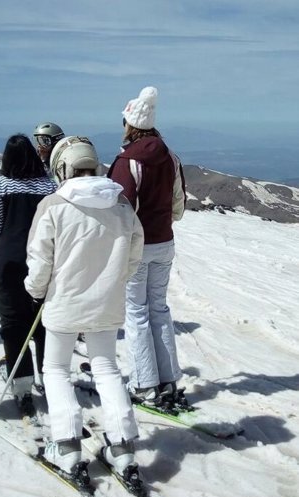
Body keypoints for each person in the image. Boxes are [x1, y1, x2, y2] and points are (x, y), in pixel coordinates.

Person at [25, 136, 144, 478]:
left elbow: (39, 258)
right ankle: (122, 447)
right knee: (106, 369)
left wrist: (36, 290)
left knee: (57, 370)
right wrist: (115, 281)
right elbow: (135, 253)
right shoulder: (121, 204)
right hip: (106, 302)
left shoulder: (54, 205)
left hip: (63, 302)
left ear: (62, 167)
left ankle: (68, 447)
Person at [107, 86, 187, 408]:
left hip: (138, 247)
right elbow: (178, 204)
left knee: (137, 314)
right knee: (159, 309)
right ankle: (168, 380)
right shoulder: (171, 157)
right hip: (165, 242)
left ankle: (144, 384)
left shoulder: (128, 161)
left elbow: (120, 208)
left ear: (130, 123)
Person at [0, 134, 57, 418]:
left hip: (9, 262)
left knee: (13, 324)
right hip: (44, 262)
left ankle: (22, 387)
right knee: (45, 323)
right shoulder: (50, 186)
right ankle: (51, 380)